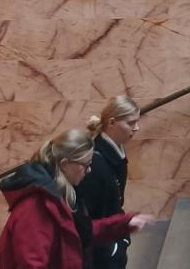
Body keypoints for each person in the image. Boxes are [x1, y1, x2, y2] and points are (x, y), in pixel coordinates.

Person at [0, 128, 152, 269]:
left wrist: (124, 223)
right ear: (65, 164)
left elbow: (82, 232)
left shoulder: (64, 195)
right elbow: (32, 263)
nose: (89, 170)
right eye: (85, 165)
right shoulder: (35, 206)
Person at [78, 97, 140, 269]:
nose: (137, 128)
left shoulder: (115, 153)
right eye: (131, 123)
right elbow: (86, 215)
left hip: (111, 242)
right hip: (101, 254)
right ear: (112, 123)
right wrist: (112, 249)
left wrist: (122, 239)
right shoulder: (95, 162)